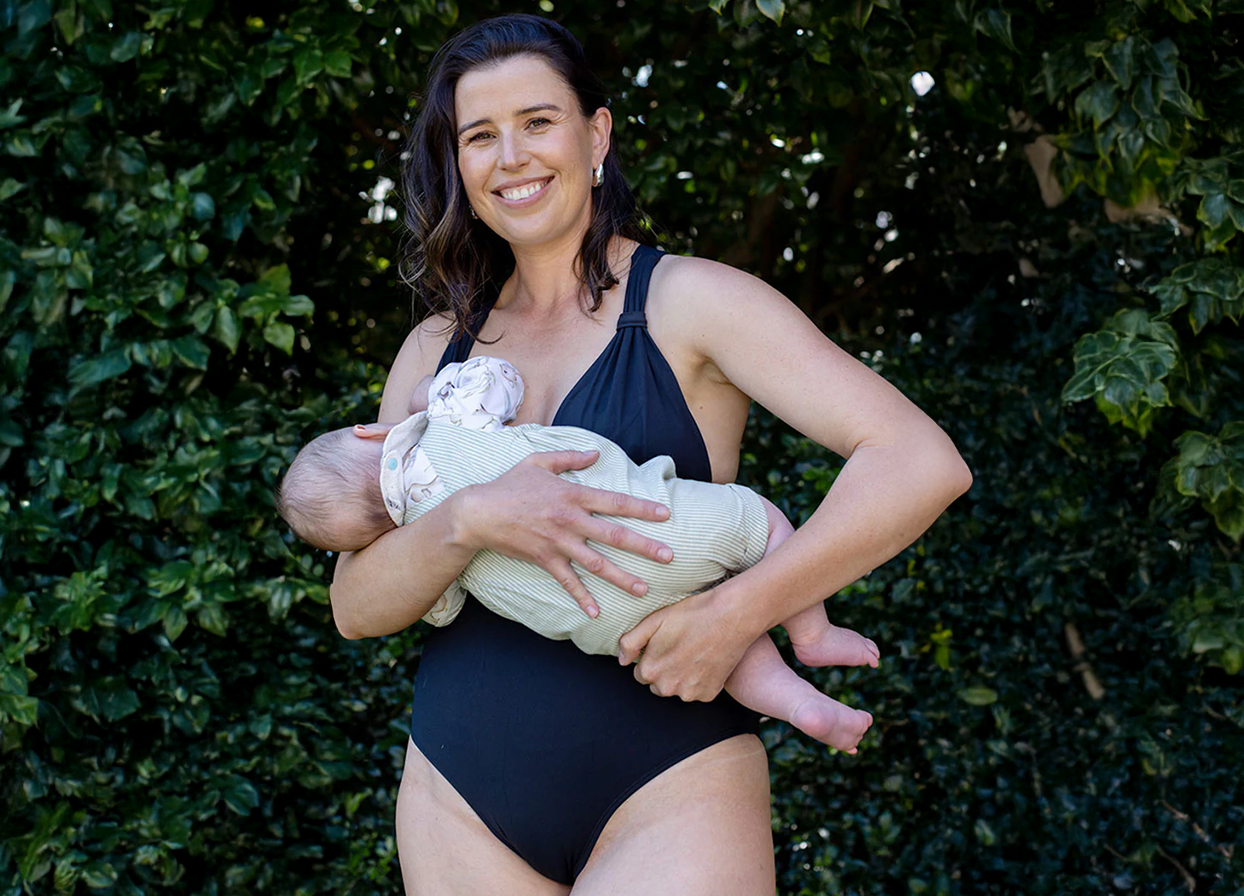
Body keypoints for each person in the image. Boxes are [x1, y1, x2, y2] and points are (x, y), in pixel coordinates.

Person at [328, 13, 972, 894]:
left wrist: (736, 614)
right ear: (459, 165)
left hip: (670, 780)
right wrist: (468, 518)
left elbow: (920, 460)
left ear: (595, 135)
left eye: (538, 122)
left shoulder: (693, 302)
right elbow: (356, 605)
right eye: (480, 135)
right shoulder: (432, 352)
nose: (511, 155)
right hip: (458, 791)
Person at [277, 355, 879, 752]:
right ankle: (813, 634)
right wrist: (424, 397)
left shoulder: (419, 544)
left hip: (610, 623)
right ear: (369, 433)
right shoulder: (440, 421)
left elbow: (434, 604)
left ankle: (802, 707)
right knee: (761, 522)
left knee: (729, 649)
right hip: (661, 533)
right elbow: (497, 381)